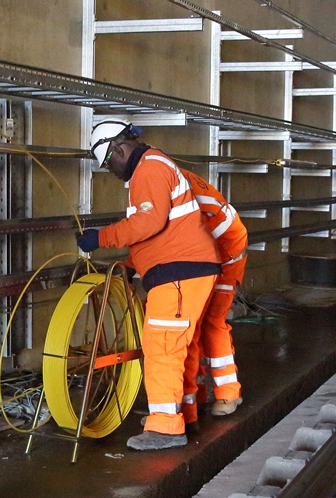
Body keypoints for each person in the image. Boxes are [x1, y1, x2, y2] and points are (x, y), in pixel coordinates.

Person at [76, 121, 220, 450]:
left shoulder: (149, 170)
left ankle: (166, 427)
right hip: (184, 269)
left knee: (162, 347)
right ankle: (181, 412)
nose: (111, 171)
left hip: (179, 274)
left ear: (118, 149)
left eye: (108, 164)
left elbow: (148, 222)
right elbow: (159, 232)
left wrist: (101, 237)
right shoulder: (155, 166)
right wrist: (130, 265)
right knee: (179, 347)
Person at [178, 168, 248, 418]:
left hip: (225, 254)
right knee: (191, 323)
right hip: (207, 252)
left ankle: (229, 392)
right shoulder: (168, 177)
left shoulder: (169, 184)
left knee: (211, 323)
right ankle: (194, 393)